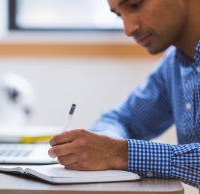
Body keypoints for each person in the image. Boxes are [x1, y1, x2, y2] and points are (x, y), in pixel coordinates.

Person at [48, 0, 200, 188]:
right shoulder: (174, 64)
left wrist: (119, 153)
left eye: (135, 5)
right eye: (119, 15)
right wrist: (99, 146)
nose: (128, 30)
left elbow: (117, 150)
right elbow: (123, 119)